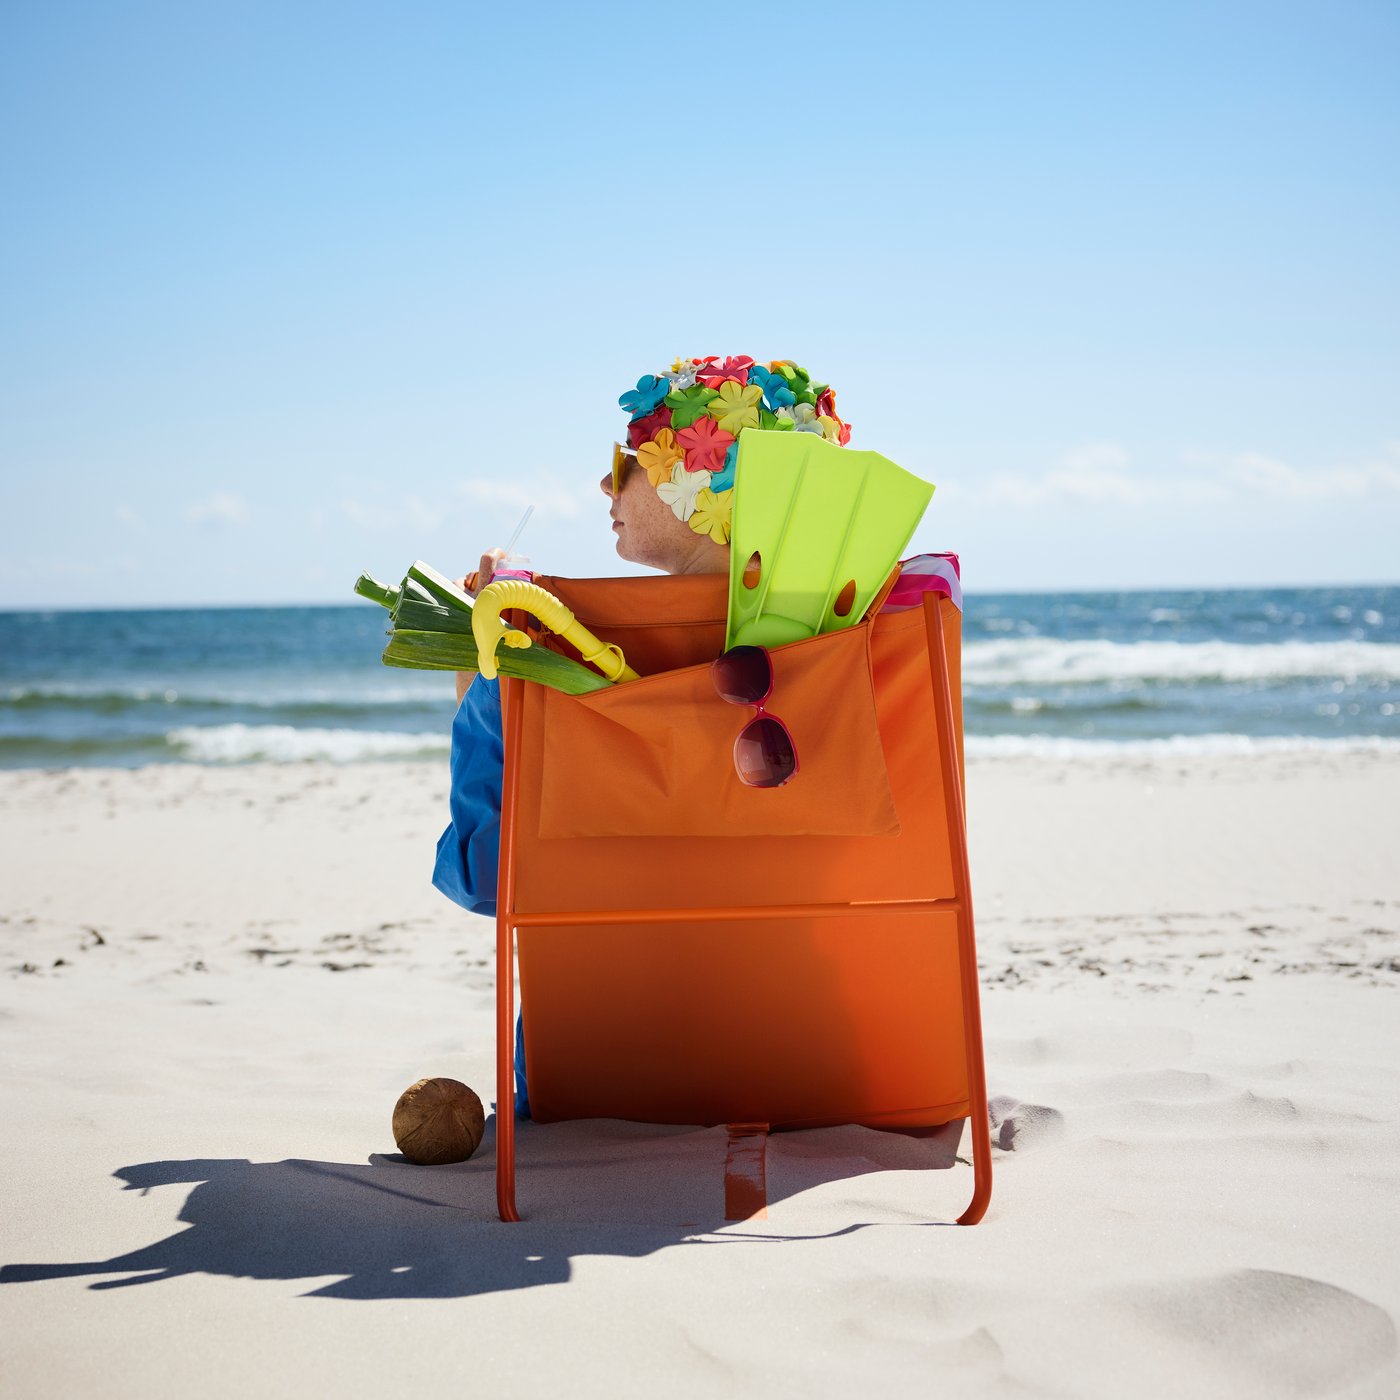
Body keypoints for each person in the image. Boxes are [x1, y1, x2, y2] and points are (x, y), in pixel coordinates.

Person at [431, 357, 854, 1113]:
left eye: (626, 463)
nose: (606, 486)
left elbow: (484, 872)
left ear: (697, 488)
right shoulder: (855, 652)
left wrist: (487, 651)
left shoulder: (558, 644)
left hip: (600, 1080)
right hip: (825, 1065)